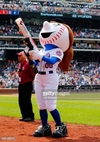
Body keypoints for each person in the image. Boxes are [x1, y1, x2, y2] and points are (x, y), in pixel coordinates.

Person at [24, 19, 74, 138]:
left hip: (50, 77)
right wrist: (31, 58)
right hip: (39, 77)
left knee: (50, 105)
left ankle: (60, 125)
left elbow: (52, 61)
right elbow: (36, 66)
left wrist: (40, 56)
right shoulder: (41, 50)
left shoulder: (58, 50)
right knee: (41, 105)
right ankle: (45, 126)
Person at [17, 51, 35, 122]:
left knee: (26, 100)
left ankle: (30, 116)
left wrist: (31, 81)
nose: (18, 57)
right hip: (21, 84)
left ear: (24, 56)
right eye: (18, 56)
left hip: (27, 84)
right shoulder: (20, 65)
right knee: (21, 101)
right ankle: (24, 115)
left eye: (20, 56)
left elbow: (33, 74)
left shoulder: (27, 64)